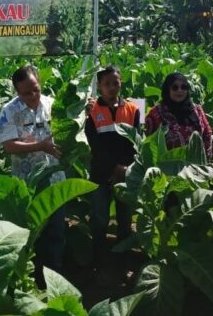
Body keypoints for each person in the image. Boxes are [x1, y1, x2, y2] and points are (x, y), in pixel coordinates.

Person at [0, 65, 65, 283]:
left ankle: (54, 279)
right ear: (17, 91)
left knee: (56, 232)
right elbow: (9, 146)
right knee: (33, 236)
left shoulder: (52, 104)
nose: (33, 95)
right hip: (28, 183)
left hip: (55, 179)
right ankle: (34, 279)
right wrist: (40, 146)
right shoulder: (9, 111)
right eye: (26, 92)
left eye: (35, 89)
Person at [84, 66, 140, 281]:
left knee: (125, 222)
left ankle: (122, 263)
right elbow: (95, 145)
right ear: (99, 86)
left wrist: (125, 168)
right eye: (106, 84)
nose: (111, 87)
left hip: (126, 174)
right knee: (100, 220)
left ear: (121, 82)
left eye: (115, 82)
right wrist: (114, 168)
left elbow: (135, 142)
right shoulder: (91, 111)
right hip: (101, 174)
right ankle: (99, 262)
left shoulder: (133, 109)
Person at [145, 72, 213, 160]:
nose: (179, 90)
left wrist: (205, 160)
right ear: (167, 90)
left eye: (184, 87)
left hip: (196, 168)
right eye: (175, 87)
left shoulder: (197, 109)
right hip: (168, 168)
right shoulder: (156, 113)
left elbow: (207, 134)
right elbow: (148, 141)